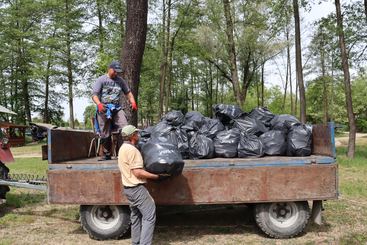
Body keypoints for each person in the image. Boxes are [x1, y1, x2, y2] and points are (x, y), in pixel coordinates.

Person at [118, 125, 169, 245]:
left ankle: (135, 242)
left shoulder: (123, 148)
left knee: (135, 216)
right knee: (149, 215)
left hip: (128, 189)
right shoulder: (132, 150)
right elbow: (138, 172)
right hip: (136, 189)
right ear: (132, 136)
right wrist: (157, 177)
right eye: (136, 133)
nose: (138, 135)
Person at [92, 61, 138, 160]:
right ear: (110, 69)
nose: (116, 73)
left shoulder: (120, 81)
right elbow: (94, 95)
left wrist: (133, 102)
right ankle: (106, 154)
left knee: (125, 127)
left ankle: (124, 153)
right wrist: (99, 104)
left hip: (116, 108)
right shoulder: (101, 80)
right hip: (103, 108)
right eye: (115, 71)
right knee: (105, 131)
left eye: (118, 72)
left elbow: (128, 93)